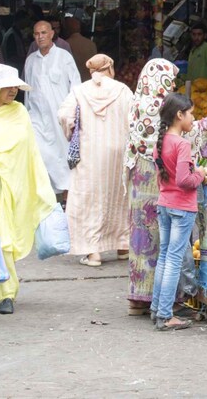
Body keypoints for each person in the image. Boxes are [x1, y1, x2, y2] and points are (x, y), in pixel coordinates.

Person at [125, 59, 207, 316]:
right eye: (171, 81)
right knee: (163, 247)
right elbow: (186, 134)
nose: (173, 87)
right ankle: (166, 305)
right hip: (160, 182)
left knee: (147, 239)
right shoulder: (159, 111)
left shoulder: (138, 102)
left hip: (141, 175)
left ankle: (145, 299)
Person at [0, 64, 57, 315]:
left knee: (5, 234)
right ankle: (7, 293)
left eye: (15, 85)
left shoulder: (20, 113)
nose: (13, 90)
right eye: (7, 86)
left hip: (14, 184)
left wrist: (36, 186)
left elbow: (31, 152)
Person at [58, 54, 133, 267]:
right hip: (118, 153)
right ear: (109, 67)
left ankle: (93, 253)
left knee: (89, 199)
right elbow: (134, 118)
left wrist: (72, 131)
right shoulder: (123, 90)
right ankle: (122, 246)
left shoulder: (79, 91)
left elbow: (65, 116)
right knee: (118, 196)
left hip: (89, 153)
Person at [150, 93, 206, 331]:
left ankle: (156, 309)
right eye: (191, 113)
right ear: (179, 115)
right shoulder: (182, 144)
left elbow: (163, 178)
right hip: (181, 207)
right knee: (173, 259)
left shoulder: (161, 142)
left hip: (164, 203)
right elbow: (184, 180)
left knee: (164, 256)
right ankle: (165, 315)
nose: (193, 118)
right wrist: (202, 174)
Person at [24, 21, 82, 195]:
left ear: (51, 34)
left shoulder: (64, 57)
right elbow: (27, 91)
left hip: (60, 119)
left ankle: (66, 195)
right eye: (36, 34)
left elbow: (76, 86)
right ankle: (47, 196)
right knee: (40, 155)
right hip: (37, 119)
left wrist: (73, 114)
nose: (40, 37)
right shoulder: (30, 60)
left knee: (62, 157)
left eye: (43, 33)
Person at [62, 16, 98, 82]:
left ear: (67, 29)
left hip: (73, 82)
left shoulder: (65, 45)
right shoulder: (91, 44)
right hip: (89, 81)